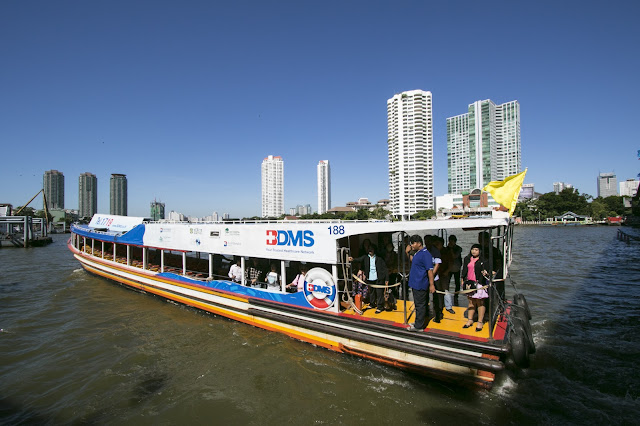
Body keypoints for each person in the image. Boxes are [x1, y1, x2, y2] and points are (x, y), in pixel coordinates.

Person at [349, 244, 389, 314]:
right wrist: (352, 259)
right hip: (370, 277)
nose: (370, 251)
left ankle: (380, 307)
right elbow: (358, 260)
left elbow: (385, 268)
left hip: (379, 277)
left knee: (379, 293)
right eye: (369, 249)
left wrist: (386, 279)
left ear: (374, 250)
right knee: (371, 292)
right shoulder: (365, 257)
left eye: (371, 249)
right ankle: (372, 303)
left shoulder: (379, 258)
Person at [406, 235, 435, 331]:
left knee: (420, 305)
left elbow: (430, 270)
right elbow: (414, 261)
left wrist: (431, 285)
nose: (412, 245)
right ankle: (419, 321)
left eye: (413, 243)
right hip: (415, 283)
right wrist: (408, 252)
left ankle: (419, 326)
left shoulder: (426, 254)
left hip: (420, 283)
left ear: (419, 243)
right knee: (418, 304)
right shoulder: (418, 253)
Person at [461, 244, 490, 332]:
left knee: (480, 303)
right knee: (471, 302)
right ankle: (470, 320)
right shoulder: (467, 259)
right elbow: (464, 270)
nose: (474, 251)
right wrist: (462, 280)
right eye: (473, 249)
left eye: (476, 250)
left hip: (479, 284)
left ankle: (480, 321)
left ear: (480, 251)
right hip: (469, 283)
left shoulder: (483, 260)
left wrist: (486, 273)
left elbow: (487, 271)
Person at [478, 231, 504, 299]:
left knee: (491, 293)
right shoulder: (478, 249)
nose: (479, 241)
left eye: (481, 239)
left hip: (491, 275)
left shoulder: (494, 251)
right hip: (480, 275)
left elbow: (499, 263)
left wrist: (494, 272)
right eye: (479, 239)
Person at [447, 235, 463, 304]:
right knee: (447, 282)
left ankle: (456, 296)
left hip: (456, 267)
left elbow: (454, 256)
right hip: (449, 268)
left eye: (452, 241)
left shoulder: (459, 248)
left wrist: (451, 249)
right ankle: (447, 295)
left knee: (457, 283)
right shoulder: (446, 248)